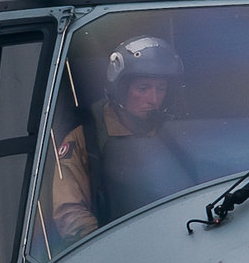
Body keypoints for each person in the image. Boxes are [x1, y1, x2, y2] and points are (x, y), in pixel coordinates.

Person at [46, 35, 184, 243]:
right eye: (143, 88)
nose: (154, 99)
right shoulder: (86, 138)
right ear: (120, 89)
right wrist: (110, 246)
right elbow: (70, 213)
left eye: (161, 89)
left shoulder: (171, 133)